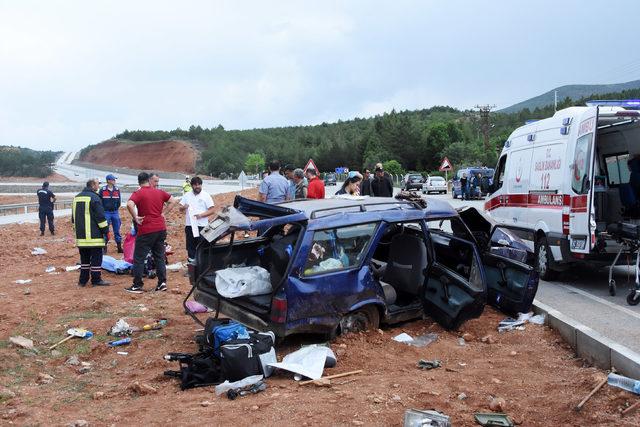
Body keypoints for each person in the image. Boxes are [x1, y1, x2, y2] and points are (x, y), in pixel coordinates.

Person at [125, 172, 179, 294]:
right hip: (160, 229)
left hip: (146, 230)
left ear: (138, 181)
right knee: (159, 256)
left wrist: (135, 217)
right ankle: (162, 283)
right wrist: (164, 213)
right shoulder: (158, 192)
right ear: (149, 180)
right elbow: (173, 200)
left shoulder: (138, 193)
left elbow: (129, 204)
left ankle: (137, 285)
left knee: (139, 258)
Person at [71, 178, 110, 287]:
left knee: (84, 260)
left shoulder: (76, 198)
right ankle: (96, 280)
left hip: (81, 237)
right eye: (98, 184)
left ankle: (82, 281)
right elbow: (100, 217)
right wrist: (106, 231)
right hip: (94, 237)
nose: (99, 186)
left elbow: (73, 218)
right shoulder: (94, 198)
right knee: (96, 259)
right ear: (92, 185)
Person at [179, 176, 216, 264]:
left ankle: (202, 266)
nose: (197, 186)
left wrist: (201, 215)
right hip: (190, 225)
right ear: (191, 186)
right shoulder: (187, 195)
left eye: (199, 184)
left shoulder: (206, 195)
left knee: (202, 246)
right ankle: (192, 266)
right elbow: (180, 209)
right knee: (190, 247)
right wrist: (184, 207)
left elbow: (212, 210)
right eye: (195, 185)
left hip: (202, 226)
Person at [99, 174, 123, 253]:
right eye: (113, 180)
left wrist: (116, 208)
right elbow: (100, 202)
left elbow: (119, 202)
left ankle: (119, 247)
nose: (114, 181)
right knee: (105, 229)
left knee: (117, 229)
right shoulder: (102, 190)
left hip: (115, 212)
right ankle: (104, 247)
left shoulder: (117, 190)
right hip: (106, 212)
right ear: (108, 180)